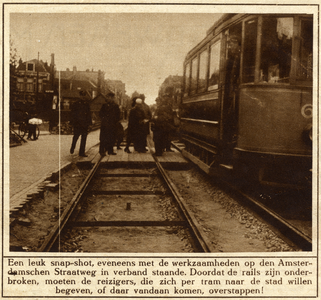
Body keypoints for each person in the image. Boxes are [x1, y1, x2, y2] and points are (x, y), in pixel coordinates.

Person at [99, 92, 121, 156]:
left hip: (112, 125)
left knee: (111, 138)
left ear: (112, 98)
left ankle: (110, 151)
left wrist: (115, 122)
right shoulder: (104, 105)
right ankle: (101, 151)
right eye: (107, 97)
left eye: (109, 97)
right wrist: (104, 119)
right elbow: (100, 114)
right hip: (105, 125)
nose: (107, 98)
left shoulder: (116, 106)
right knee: (103, 139)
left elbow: (118, 115)